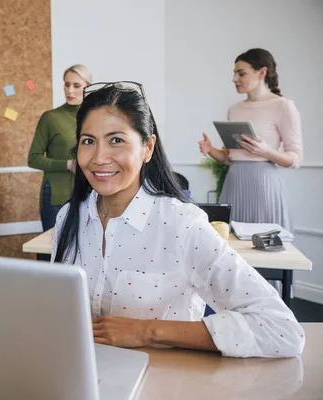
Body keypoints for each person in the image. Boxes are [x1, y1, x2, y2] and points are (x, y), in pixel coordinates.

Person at [52, 82, 304, 358]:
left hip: (166, 382)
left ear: (148, 148)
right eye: (89, 141)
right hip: (87, 377)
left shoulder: (181, 224)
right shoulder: (69, 218)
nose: (99, 158)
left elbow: (282, 330)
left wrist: (147, 331)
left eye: (116, 140)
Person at [198, 48, 303, 231]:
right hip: (234, 181)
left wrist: (266, 152)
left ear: (262, 73)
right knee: (230, 244)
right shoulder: (234, 109)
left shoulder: (283, 106)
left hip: (263, 184)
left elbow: (296, 158)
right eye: (234, 73)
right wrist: (210, 150)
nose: (234, 79)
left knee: (265, 246)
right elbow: (228, 156)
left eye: (241, 73)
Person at [28, 64, 93, 233]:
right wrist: (67, 164)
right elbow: (33, 158)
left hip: (90, 193)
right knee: (53, 252)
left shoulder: (94, 118)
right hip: (56, 195)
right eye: (66, 84)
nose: (70, 91)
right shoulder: (51, 118)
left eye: (76, 86)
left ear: (88, 87)